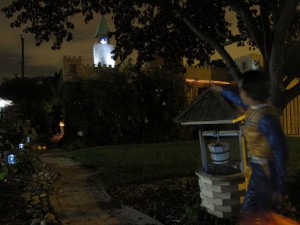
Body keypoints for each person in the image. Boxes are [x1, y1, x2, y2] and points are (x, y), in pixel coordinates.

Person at [211, 70, 298, 225]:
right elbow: (238, 99)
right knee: (248, 211)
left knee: (267, 218)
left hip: (267, 173)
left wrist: (279, 186)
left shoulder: (265, 118)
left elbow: (280, 151)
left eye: (241, 88)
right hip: (258, 171)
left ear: (248, 92)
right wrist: (222, 90)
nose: (239, 91)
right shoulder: (254, 107)